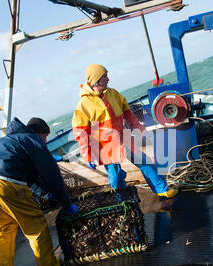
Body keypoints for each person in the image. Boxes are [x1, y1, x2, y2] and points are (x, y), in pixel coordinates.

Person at [0, 117, 79, 266]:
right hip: (5, 182)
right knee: (36, 228)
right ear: (40, 133)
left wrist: (46, 194)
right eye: (45, 137)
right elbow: (51, 175)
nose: (44, 142)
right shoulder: (32, 139)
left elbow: (31, 178)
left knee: (1, 228)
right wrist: (66, 202)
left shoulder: (9, 140)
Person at [72, 64, 177, 198]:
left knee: (145, 162)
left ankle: (162, 189)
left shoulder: (113, 93)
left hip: (123, 136)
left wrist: (140, 129)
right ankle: (123, 200)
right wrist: (87, 155)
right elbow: (80, 132)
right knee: (115, 177)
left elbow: (128, 113)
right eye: (105, 76)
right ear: (96, 79)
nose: (108, 79)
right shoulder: (83, 104)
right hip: (104, 145)